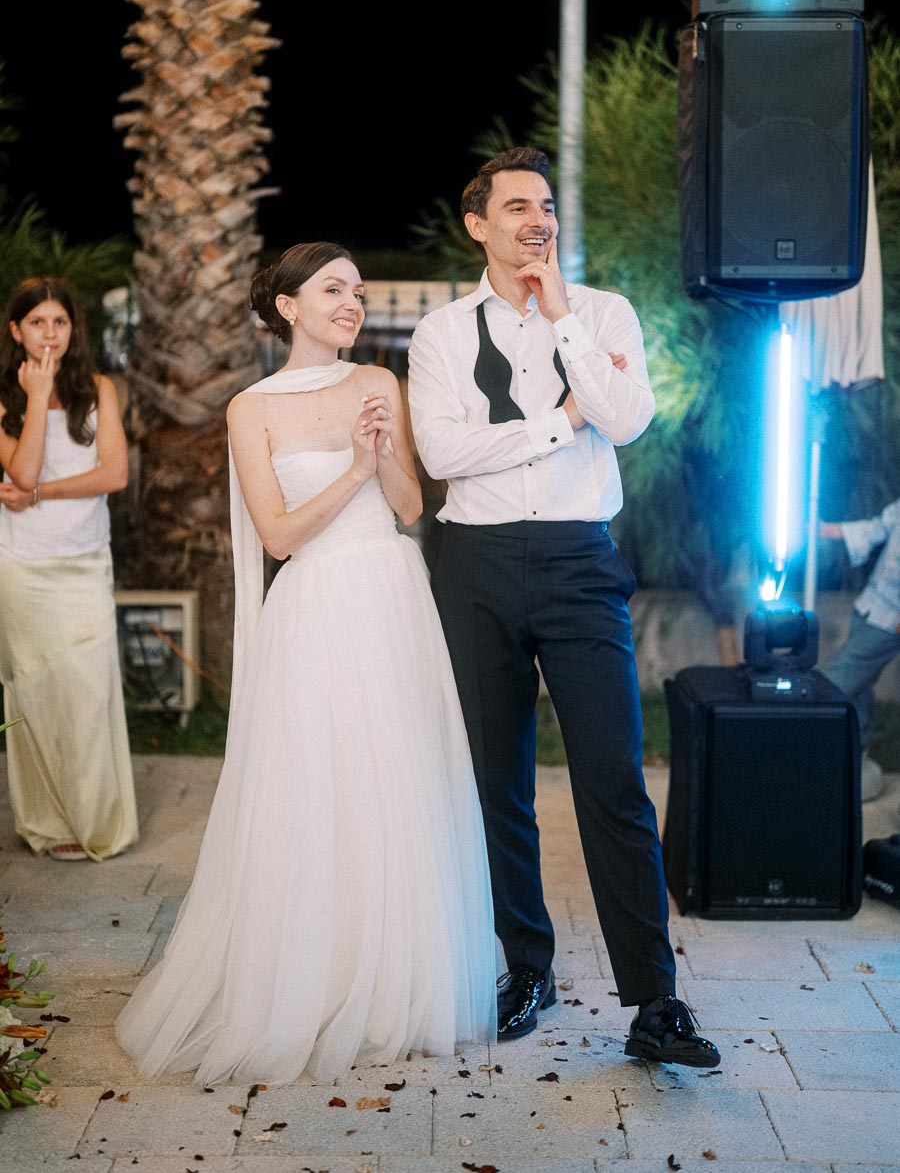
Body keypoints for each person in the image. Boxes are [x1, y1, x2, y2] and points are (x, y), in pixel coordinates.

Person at [115, 241, 496, 1086]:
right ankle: (313, 978)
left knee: (397, 779)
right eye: (333, 289)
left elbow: (409, 508)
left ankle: (399, 982)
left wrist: (382, 452)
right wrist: (352, 468)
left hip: (390, 594)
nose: (351, 302)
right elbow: (279, 536)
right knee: (318, 784)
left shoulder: (379, 382)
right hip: (316, 603)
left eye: (356, 290)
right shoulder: (250, 408)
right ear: (288, 307)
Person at [407, 147, 719, 1068]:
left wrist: (565, 324)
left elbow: (627, 418)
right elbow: (443, 456)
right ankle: (526, 966)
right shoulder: (439, 334)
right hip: (475, 564)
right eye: (516, 207)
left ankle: (655, 1002)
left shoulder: (603, 313)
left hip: (582, 560)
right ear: (478, 225)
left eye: (544, 205)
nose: (537, 219)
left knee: (614, 778)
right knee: (496, 781)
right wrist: (562, 420)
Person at [0, 276, 138, 862]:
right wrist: (36, 396)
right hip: (23, 568)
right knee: (35, 695)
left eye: (60, 322)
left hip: (84, 563)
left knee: (87, 694)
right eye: (37, 323)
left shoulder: (99, 389)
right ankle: (49, 821)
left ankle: (96, 821)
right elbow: (22, 470)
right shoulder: (5, 397)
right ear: (16, 331)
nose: (50, 334)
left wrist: (40, 495)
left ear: (73, 329)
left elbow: (114, 475)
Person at [819, 499, 900, 803]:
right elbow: (879, 526)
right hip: (870, 604)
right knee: (859, 687)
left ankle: (824, 755)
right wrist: (830, 530)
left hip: (890, 621)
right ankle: (856, 753)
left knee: (832, 682)